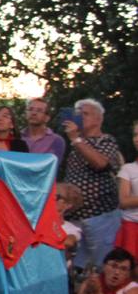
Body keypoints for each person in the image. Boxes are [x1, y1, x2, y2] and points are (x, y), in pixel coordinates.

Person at [62, 99, 122, 272]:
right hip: (75, 217)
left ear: (98, 119)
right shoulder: (74, 143)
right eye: (77, 114)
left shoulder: (105, 140)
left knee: (103, 265)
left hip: (100, 216)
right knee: (77, 268)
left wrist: (76, 139)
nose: (80, 117)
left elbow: (101, 163)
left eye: (85, 114)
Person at [115, 121, 138, 262]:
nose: (137, 138)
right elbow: (123, 201)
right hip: (132, 228)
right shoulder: (128, 169)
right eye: (135, 134)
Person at [23, 98, 66, 168]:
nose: (33, 113)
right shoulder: (17, 137)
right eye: (30, 109)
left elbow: (53, 168)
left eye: (39, 111)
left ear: (47, 118)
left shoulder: (57, 141)